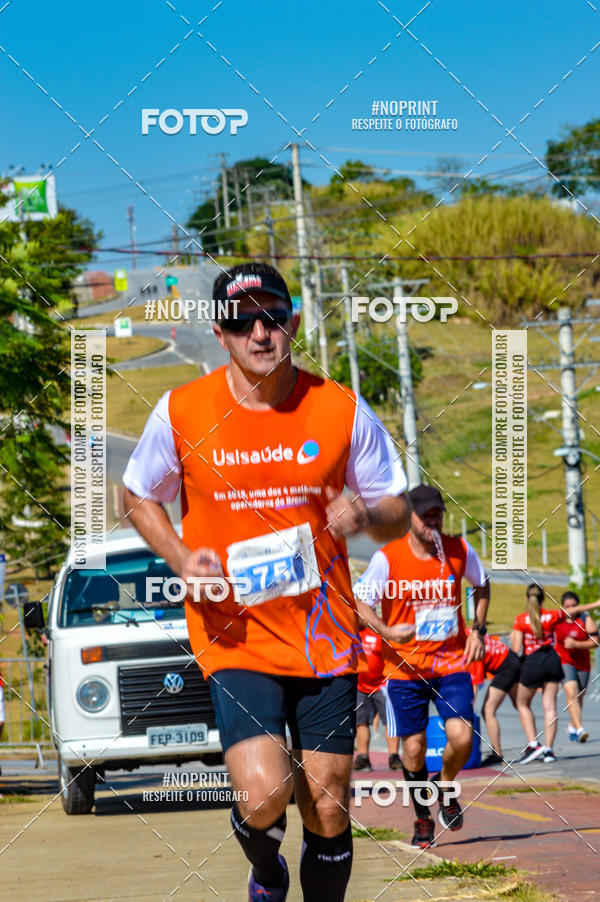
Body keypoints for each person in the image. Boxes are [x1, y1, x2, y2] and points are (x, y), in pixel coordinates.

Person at [122, 261, 411, 902]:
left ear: (293, 323)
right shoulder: (183, 410)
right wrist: (179, 555)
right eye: (241, 322)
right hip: (235, 634)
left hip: (324, 635)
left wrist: (367, 516)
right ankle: (267, 869)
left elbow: (398, 506)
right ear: (220, 334)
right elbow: (137, 493)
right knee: (263, 795)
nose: (259, 333)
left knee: (329, 804)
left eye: (272, 318)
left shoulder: (338, 407)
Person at [354, 484, 489, 850]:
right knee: (412, 750)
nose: (433, 521)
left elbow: (482, 584)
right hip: (404, 670)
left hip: (450, 663)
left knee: (462, 737)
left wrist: (478, 629)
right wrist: (386, 631)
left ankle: (444, 786)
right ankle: (422, 816)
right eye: (425, 515)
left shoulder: (459, 550)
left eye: (437, 515)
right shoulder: (388, 558)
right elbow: (360, 602)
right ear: (408, 518)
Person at [511, 584, 600, 764]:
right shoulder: (552, 616)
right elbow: (573, 611)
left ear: (527, 599)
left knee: (522, 703)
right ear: (543, 599)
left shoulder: (521, 620)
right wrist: (595, 604)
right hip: (552, 661)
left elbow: (517, 648)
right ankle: (549, 751)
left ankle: (533, 744)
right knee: (550, 707)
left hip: (532, 662)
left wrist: (514, 640)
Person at [468, 631, 521, 766]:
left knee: (488, 711)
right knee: (521, 706)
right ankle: (535, 745)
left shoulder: (472, 649)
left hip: (506, 667)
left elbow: (474, 686)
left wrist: (467, 712)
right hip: (511, 658)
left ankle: (497, 754)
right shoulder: (472, 633)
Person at [353, 627, 401, 771]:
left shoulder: (379, 632)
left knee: (390, 721)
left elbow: (392, 656)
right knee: (360, 722)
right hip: (360, 685)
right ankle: (363, 758)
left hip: (382, 684)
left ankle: (394, 757)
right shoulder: (354, 632)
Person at [554, 590, 599, 743]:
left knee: (579, 696)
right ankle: (580, 729)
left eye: (574, 605)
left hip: (582, 663)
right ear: (562, 606)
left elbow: (595, 642)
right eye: (567, 606)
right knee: (571, 692)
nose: (571, 609)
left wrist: (576, 644)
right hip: (564, 661)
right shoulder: (558, 619)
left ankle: (572, 725)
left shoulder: (585, 619)